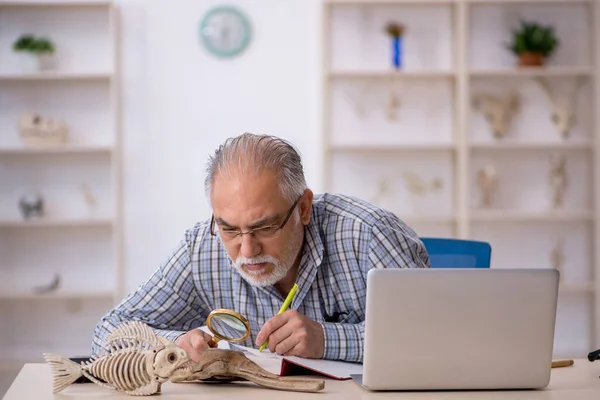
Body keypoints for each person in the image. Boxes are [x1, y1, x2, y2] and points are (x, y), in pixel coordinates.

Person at [92, 133, 430, 363]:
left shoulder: (369, 235)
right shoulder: (202, 247)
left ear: (304, 208)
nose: (247, 251)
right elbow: (108, 332)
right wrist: (174, 343)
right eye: (229, 228)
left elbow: (436, 337)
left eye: (265, 227)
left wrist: (328, 339)